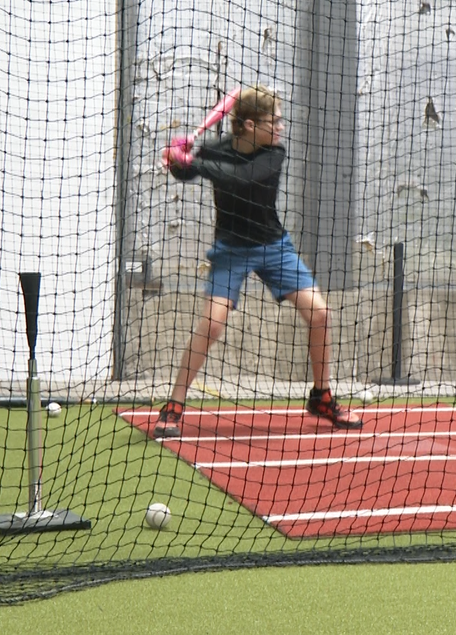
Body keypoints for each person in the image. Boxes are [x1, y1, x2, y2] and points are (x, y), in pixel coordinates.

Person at [153, 85, 362, 438]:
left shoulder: (273, 154)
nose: (280, 127)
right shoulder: (217, 149)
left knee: (320, 313)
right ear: (250, 125)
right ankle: (174, 405)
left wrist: (196, 161)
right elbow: (186, 173)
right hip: (231, 250)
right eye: (273, 121)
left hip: (273, 247)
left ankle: (321, 396)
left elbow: (239, 179)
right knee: (213, 324)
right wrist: (177, 157)